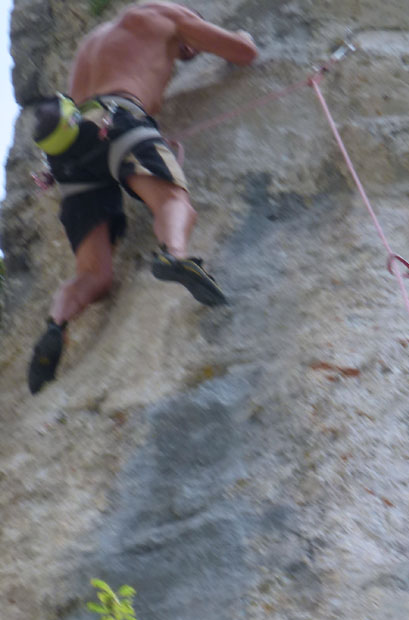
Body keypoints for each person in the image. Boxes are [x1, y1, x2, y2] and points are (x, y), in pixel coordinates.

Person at [27, 1, 258, 394]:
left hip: (69, 155)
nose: (190, 55)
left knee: (93, 275)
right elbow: (243, 53)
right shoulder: (166, 17)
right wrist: (243, 35)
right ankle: (175, 256)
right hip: (120, 122)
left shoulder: (91, 43)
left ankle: (58, 324)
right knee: (172, 202)